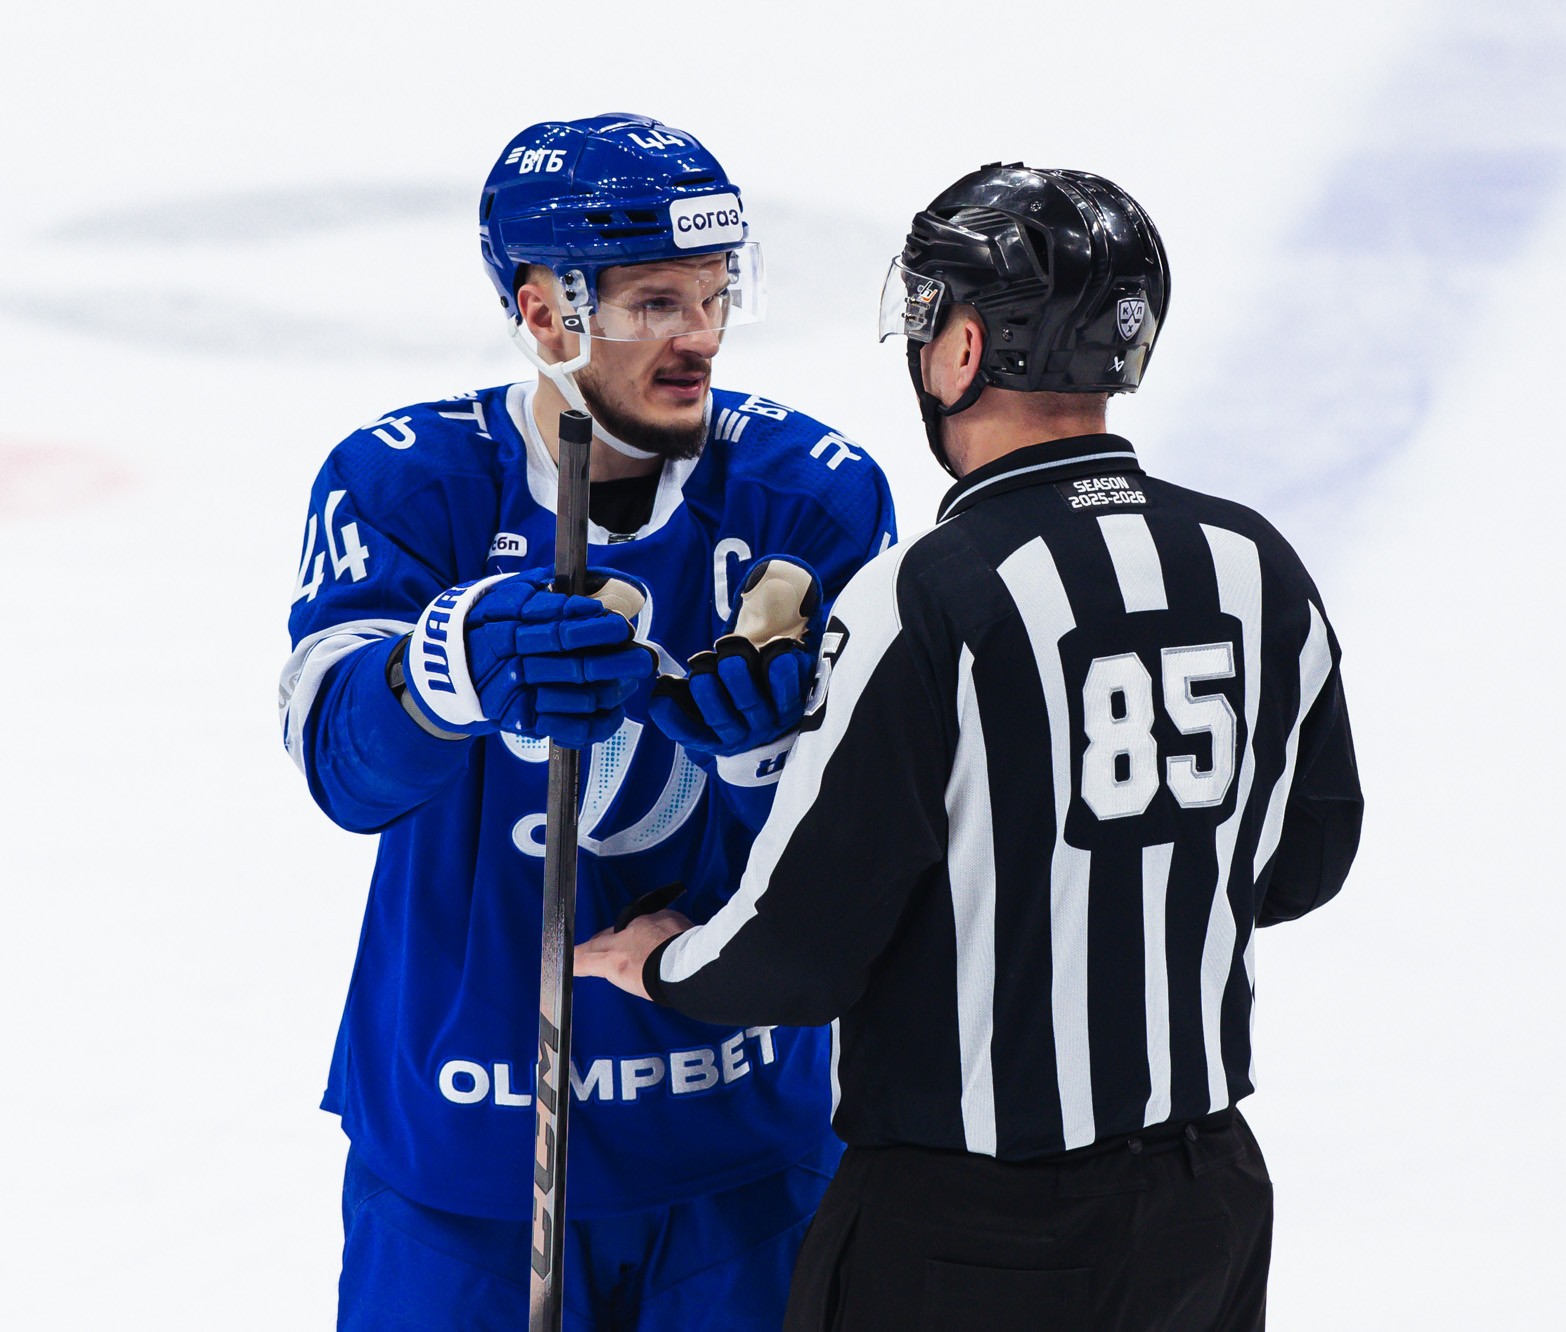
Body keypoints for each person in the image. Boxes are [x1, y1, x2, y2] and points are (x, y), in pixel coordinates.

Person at [577, 164, 1364, 1331]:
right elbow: (1304, 860)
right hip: (1204, 1207)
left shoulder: (927, 593)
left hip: (968, 1225)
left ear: (961, 350)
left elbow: (799, 951)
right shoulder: (1252, 562)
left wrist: (659, 962)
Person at [277, 113, 897, 1331]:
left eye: (714, 295)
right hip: (461, 1157)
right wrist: (443, 667)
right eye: (655, 303)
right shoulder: (405, 482)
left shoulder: (809, 494)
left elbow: (880, 843)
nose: (700, 336)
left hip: (739, 1150)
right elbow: (342, 770)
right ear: (547, 312)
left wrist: (773, 764)